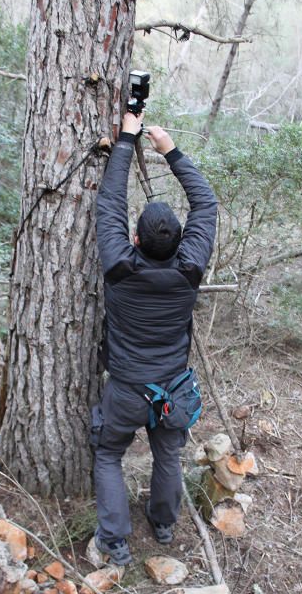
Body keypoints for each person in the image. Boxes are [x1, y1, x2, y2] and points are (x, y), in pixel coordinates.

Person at [92, 111, 217, 565]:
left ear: (135, 239)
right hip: (171, 390)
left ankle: (115, 541)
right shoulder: (189, 269)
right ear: (183, 241)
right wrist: (170, 150)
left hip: (125, 391)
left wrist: (126, 139)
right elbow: (206, 204)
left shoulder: (119, 266)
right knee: (168, 455)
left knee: (108, 455)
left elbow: (108, 202)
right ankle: (163, 524)